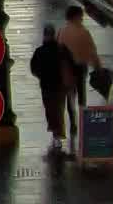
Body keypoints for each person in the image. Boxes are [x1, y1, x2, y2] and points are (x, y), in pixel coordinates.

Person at [60, 5, 104, 143]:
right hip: (80, 68)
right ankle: (83, 121)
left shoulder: (62, 31)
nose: (82, 19)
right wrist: (98, 67)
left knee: (69, 96)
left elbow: (57, 51)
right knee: (81, 95)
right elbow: (92, 52)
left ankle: (73, 122)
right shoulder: (83, 32)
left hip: (66, 69)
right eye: (81, 16)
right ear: (75, 16)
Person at [31, 23, 72, 152]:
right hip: (60, 85)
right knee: (58, 109)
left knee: (50, 109)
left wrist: (41, 76)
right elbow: (71, 64)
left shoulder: (40, 51)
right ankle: (57, 133)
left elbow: (34, 68)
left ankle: (56, 133)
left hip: (47, 86)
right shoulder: (62, 49)